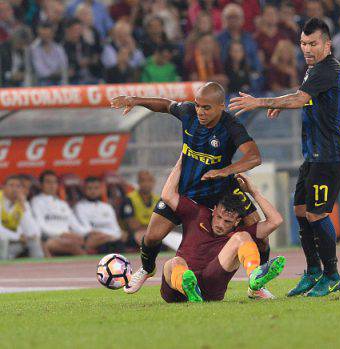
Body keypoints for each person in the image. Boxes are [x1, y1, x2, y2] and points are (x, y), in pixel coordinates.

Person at [111, 82, 272, 297]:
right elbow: (165, 105)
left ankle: (257, 284)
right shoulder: (188, 113)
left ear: (221, 107)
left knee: (260, 235)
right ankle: (148, 268)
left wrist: (226, 170)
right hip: (188, 188)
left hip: (220, 190)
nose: (200, 111)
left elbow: (254, 157)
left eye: (206, 107)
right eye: (197, 105)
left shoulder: (231, 126)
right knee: (152, 236)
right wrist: (135, 101)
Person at [229, 18, 340, 297]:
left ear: (327, 44)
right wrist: (283, 104)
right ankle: (312, 272)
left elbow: (299, 99)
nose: (307, 48)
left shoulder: (327, 68)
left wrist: (260, 102)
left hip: (332, 155)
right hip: (315, 154)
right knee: (300, 211)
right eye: (303, 43)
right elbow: (304, 97)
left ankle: (331, 275)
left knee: (316, 213)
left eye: (313, 43)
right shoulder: (315, 70)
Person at [158, 157, 285, 302]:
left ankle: (255, 277)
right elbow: (167, 195)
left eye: (227, 221)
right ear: (214, 210)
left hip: (211, 288)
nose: (220, 224)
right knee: (175, 262)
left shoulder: (238, 232)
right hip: (176, 290)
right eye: (218, 217)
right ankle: (189, 288)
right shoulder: (197, 213)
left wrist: (254, 191)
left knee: (242, 237)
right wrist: (183, 159)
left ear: (237, 221)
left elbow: (275, 221)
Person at [31, 170, 89, 256]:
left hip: (68, 237)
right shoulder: (36, 201)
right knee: (72, 245)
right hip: (48, 238)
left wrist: (88, 233)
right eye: (48, 182)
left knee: (87, 240)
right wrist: (62, 234)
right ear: (41, 185)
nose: (52, 185)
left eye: (54, 182)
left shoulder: (63, 204)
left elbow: (75, 225)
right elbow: (41, 226)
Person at [75, 177, 125, 254]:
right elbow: (87, 228)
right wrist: (104, 236)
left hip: (112, 238)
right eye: (90, 188)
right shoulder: (80, 207)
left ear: (101, 190)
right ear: (84, 190)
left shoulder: (107, 207)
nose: (93, 191)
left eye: (96, 188)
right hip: (96, 239)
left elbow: (116, 228)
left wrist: (111, 237)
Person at [0, 175, 43, 260]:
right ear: (3, 187)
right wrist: (18, 236)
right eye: (11, 185)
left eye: (18, 186)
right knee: (3, 241)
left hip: (14, 242)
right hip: (5, 240)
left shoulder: (22, 203)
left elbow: (33, 232)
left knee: (33, 241)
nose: (15, 189)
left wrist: (23, 207)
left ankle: (40, 267)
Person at [120, 170, 159, 246]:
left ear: (154, 182)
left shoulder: (158, 200)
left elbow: (163, 224)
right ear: (138, 182)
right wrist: (154, 228)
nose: (146, 184)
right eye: (143, 181)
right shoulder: (129, 199)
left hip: (153, 233)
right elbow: (132, 225)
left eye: (150, 180)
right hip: (133, 234)